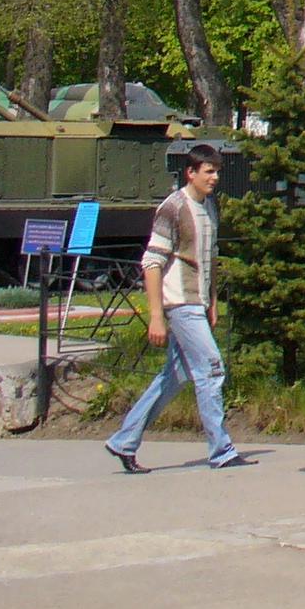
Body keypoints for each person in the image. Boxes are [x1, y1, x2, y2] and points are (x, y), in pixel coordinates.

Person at [106, 144, 250, 472]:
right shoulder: (172, 208)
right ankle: (222, 451)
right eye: (208, 172)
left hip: (198, 303)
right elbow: (151, 263)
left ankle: (123, 441)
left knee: (174, 377)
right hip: (180, 303)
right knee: (212, 369)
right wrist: (156, 316)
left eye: (217, 172)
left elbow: (209, 258)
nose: (214, 178)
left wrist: (212, 302)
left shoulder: (209, 207)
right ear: (191, 173)